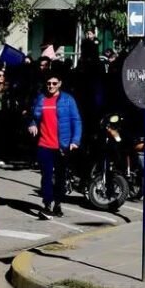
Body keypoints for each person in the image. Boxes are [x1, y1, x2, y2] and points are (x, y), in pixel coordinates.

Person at [27, 71, 82, 219]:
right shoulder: (41, 99)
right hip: (44, 144)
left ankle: (58, 203)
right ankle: (47, 204)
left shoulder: (68, 100)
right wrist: (32, 124)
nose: (51, 86)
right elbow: (33, 116)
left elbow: (76, 120)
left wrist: (75, 141)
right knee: (46, 176)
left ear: (59, 84)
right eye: (48, 84)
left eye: (54, 83)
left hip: (62, 146)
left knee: (60, 177)